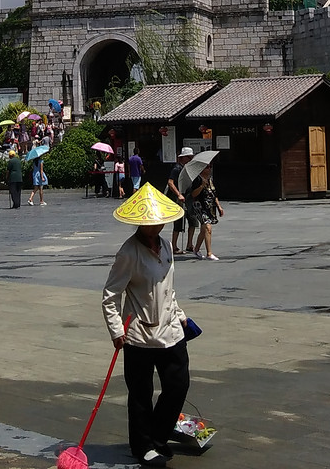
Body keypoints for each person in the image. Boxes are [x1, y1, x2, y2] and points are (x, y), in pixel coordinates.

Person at [102, 183, 193, 467]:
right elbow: (110, 296)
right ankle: (143, 446)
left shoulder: (166, 246)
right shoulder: (128, 253)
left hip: (171, 329)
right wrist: (117, 330)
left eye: (161, 222)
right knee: (140, 393)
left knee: (178, 384)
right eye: (152, 223)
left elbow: (169, 288)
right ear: (141, 223)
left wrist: (180, 314)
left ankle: (158, 437)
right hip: (139, 332)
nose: (157, 227)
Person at [188, 164, 223, 260]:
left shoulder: (210, 178)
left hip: (209, 206)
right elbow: (193, 194)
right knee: (208, 227)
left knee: (204, 230)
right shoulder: (197, 179)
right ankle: (209, 253)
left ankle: (196, 249)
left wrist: (219, 206)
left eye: (210, 166)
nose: (210, 169)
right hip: (200, 206)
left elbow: (213, 193)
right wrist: (202, 185)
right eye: (207, 167)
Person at [165, 149, 194, 255]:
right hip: (180, 199)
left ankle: (190, 244)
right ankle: (174, 245)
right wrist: (178, 194)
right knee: (178, 223)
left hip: (189, 198)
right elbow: (170, 182)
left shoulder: (188, 169)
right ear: (183, 158)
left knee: (192, 221)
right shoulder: (177, 168)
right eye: (188, 157)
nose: (190, 159)